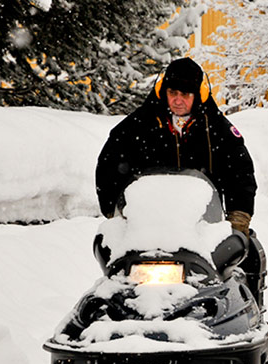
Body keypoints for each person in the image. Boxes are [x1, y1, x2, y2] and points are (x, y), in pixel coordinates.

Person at [95, 57, 256, 235]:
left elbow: (241, 173)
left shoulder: (217, 129)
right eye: (173, 93)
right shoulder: (138, 125)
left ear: (198, 95)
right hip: (145, 227)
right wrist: (114, 213)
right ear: (163, 91)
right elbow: (109, 164)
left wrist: (239, 218)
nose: (178, 101)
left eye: (185, 94)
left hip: (203, 228)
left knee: (245, 255)